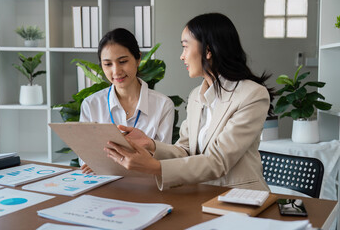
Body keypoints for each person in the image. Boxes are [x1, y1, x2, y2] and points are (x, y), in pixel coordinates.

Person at [103, 13, 275, 191]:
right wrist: (150, 144)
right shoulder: (195, 96)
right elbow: (185, 149)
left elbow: (218, 161)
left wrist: (155, 167)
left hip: (240, 197)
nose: (182, 56)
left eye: (185, 47)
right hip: (200, 194)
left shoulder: (252, 95)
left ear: (208, 50)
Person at [79, 28, 175, 173]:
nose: (116, 71)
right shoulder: (91, 104)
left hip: (146, 186)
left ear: (138, 59)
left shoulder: (163, 105)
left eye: (123, 61)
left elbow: (163, 159)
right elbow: (86, 159)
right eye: (108, 64)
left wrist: (106, 162)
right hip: (104, 184)